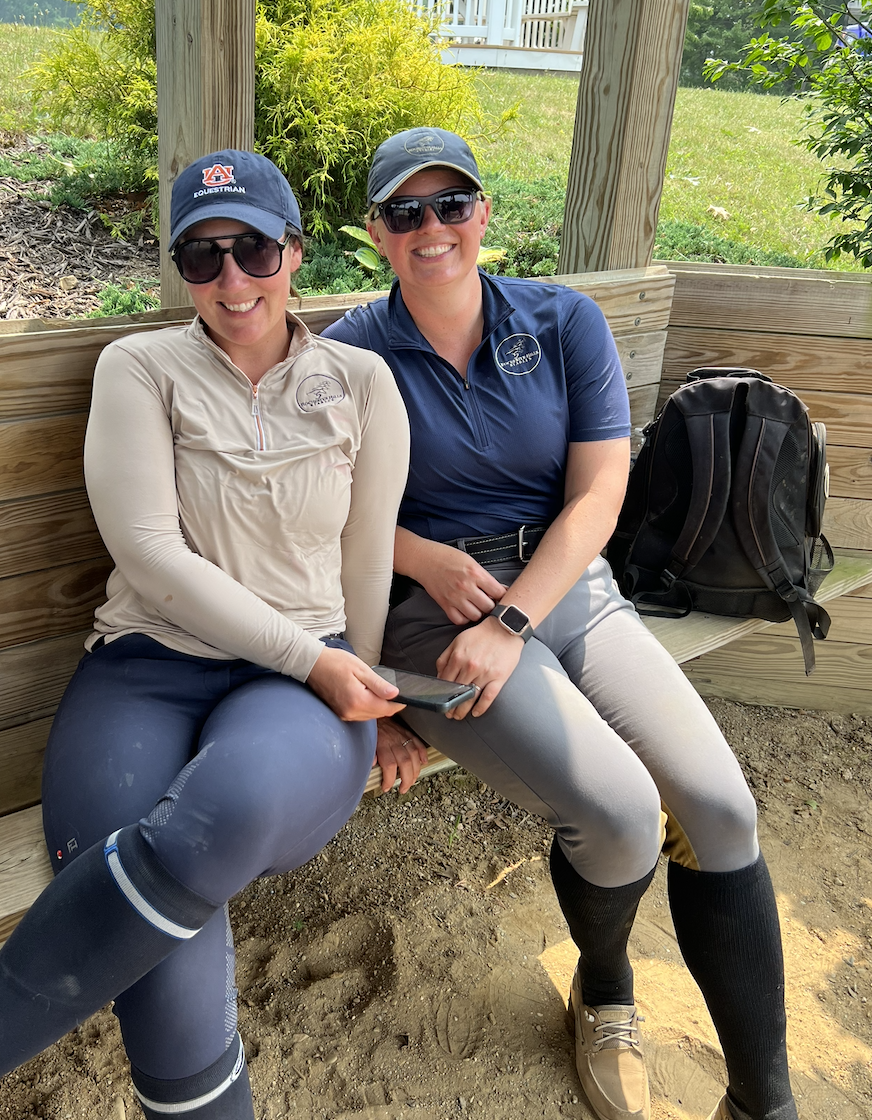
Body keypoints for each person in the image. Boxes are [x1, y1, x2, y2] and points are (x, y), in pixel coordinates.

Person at [322, 127, 797, 1120]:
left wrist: (512, 610)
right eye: (404, 212)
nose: (431, 227)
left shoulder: (561, 319)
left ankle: (763, 1101)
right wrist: (423, 562)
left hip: (561, 584)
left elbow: (598, 490)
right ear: (375, 233)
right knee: (621, 816)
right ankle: (605, 985)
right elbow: (316, 509)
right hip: (426, 621)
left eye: (451, 204)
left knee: (718, 808)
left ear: (483, 214)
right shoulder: (349, 352)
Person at [0, 149, 410, 1120]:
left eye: (254, 251)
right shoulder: (139, 366)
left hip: (300, 689)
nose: (232, 280)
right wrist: (320, 657)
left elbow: (367, 557)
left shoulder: (360, 381)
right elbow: (147, 553)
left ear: (295, 252)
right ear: (179, 269)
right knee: (151, 915)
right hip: (143, 672)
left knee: (218, 813)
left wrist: (361, 682)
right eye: (202, 257)